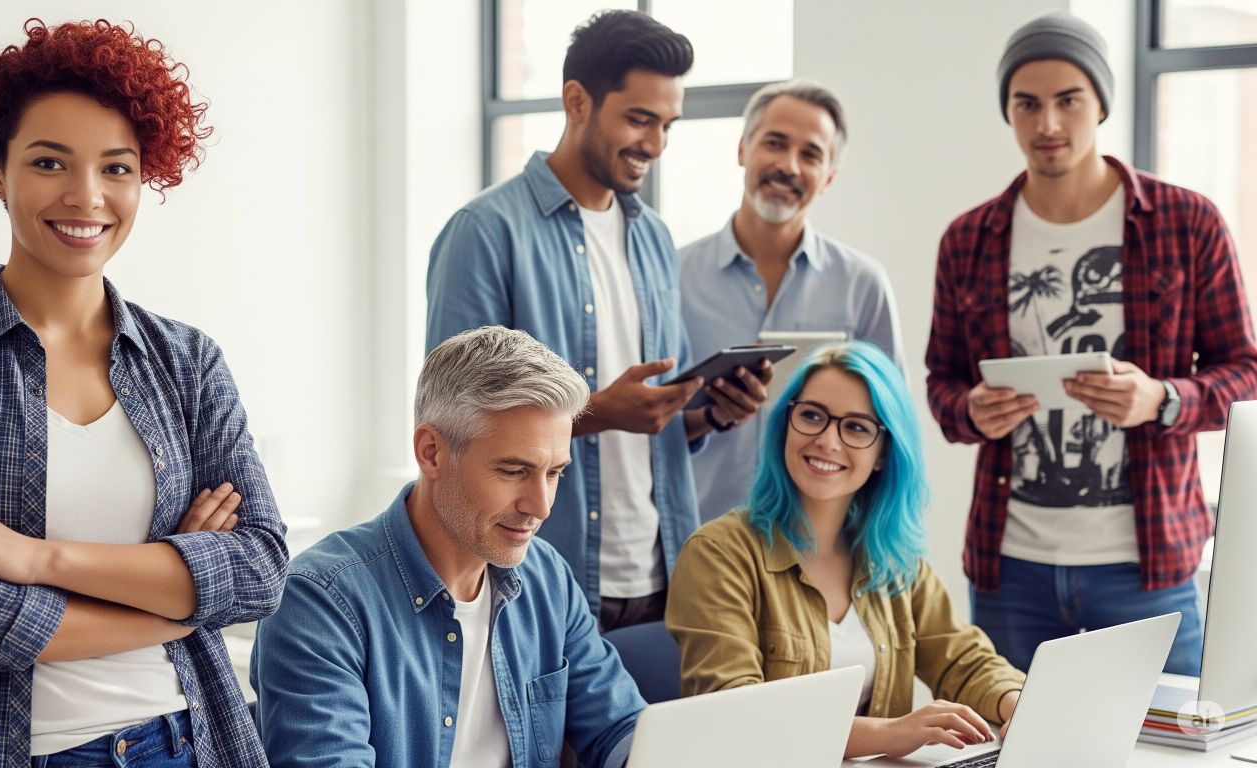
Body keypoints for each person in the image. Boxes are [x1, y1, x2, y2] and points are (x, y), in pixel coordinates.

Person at [0, 19, 287, 767]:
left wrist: (33, 558)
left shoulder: (187, 362)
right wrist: (178, 598)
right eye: (50, 162)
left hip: (188, 739)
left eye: (117, 168)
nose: (86, 196)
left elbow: (258, 568)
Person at [924, 11, 1257, 675]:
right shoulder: (969, 240)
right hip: (1008, 566)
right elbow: (942, 379)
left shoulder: (1187, 223)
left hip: (1148, 567)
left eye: (1067, 100)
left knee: (1167, 748)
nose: (1047, 124)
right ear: (1009, 113)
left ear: (1100, 103)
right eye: (1027, 104)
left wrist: (1162, 399)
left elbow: (1245, 373)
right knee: (1012, 747)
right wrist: (969, 412)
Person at [426, 9, 772, 631]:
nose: (656, 144)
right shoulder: (485, 233)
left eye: (667, 124)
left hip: (664, 574)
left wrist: (709, 412)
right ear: (577, 100)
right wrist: (601, 411)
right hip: (537, 576)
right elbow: (454, 422)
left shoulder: (655, 240)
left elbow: (654, 417)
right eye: (639, 119)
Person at [251, 326, 645, 767]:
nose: (541, 506)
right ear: (431, 452)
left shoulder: (546, 576)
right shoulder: (319, 603)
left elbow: (620, 729)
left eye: (554, 473)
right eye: (514, 471)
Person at [666, 342, 1025, 760]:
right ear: (786, 424)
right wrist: (891, 734)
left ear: (883, 454)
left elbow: (962, 657)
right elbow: (740, 713)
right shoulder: (718, 554)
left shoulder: (894, 559)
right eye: (812, 416)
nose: (827, 441)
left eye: (856, 427)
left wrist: (1014, 701)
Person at [679, 79, 905, 521]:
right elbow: (647, 430)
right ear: (743, 149)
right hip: (696, 541)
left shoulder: (863, 284)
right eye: (775, 144)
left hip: (822, 548)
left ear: (829, 178)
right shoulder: (671, 277)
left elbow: (890, 428)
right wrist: (707, 416)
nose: (789, 166)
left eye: (811, 155)